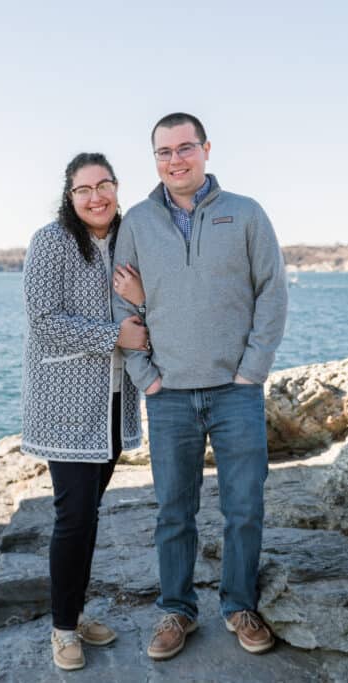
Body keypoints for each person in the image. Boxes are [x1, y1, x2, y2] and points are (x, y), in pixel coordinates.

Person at [112, 113, 288, 660]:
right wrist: (149, 379)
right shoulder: (137, 222)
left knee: (244, 506)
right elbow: (122, 306)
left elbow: (272, 293)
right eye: (163, 152)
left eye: (185, 148)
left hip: (236, 392)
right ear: (155, 160)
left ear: (206, 150)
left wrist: (250, 371)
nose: (175, 160)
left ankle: (239, 605)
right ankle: (175, 611)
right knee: (172, 512)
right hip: (169, 397)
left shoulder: (245, 213)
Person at [21, 152, 148, 671]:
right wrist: (112, 335)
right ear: (68, 196)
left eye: (104, 185)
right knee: (73, 518)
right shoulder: (50, 242)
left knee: (88, 515)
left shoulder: (130, 237)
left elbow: (148, 306)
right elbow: (43, 320)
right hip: (65, 404)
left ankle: (73, 611)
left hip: (116, 403)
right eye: (83, 189)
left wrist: (139, 301)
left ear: (117, 189)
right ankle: (62, 630)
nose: (96, 197)